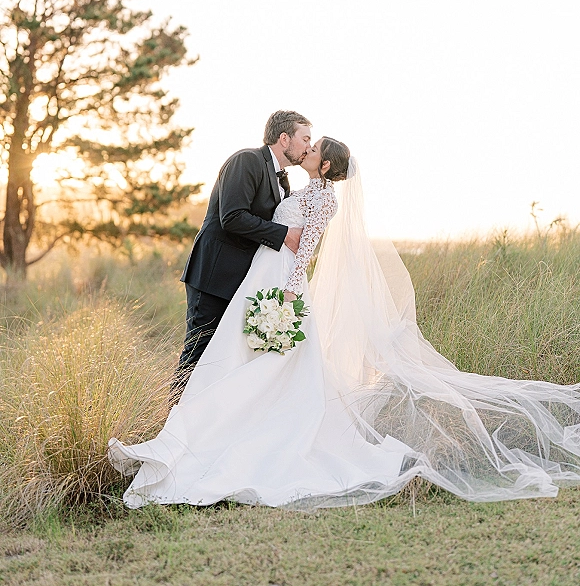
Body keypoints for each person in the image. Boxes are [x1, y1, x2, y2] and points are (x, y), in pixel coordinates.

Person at [110, 140, 580, 508]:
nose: (307, 150)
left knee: (264, 366)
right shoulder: (298, 187)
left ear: (325, 165)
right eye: (306, 143)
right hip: (261, 277)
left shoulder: (323, 200)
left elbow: (305, 247)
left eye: (314, 148)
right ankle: (200, 430)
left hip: (280, 284)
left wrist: (288, 294)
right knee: (236, 360)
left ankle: (234, 437)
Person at [172, 110, 312, 398]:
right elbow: (232, 216)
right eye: (305, 138)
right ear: (284, 138)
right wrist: (284, 235)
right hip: (214, 275)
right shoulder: (246, 160)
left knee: (225, 356)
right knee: (199, 350)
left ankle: (204, 423)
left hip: (242, 281)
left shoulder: (282, 179)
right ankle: (171, 421)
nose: (309, 147)